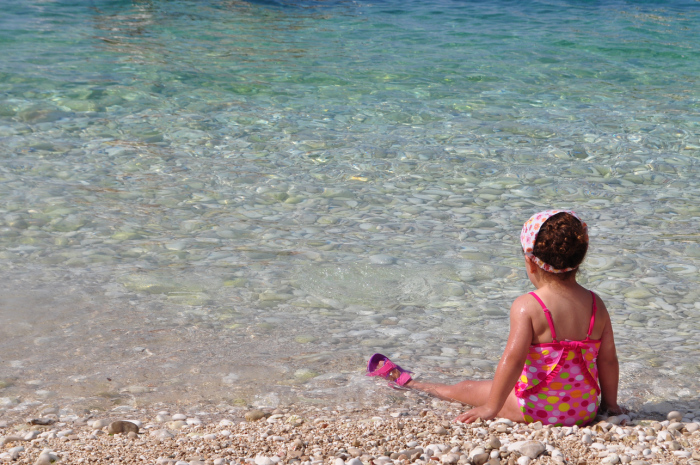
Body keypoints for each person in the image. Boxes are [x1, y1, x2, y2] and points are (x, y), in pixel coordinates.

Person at [366, 210, 624, 426]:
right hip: (585, 410)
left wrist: (491, 407)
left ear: (531, 263)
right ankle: (601, 405)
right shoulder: (595, 304)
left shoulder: (529, 306)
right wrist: (609, 406)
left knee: (467, 388)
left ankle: (413, 384)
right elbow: (608, 359)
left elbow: (513, 360)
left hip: (537, 410)